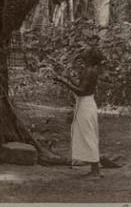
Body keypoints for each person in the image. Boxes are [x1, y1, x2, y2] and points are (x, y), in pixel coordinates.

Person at [53, 46, 103, 178]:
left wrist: (63, 81)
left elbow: (81, 91)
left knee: (88, 135)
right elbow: (81, 87)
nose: (83, 52)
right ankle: (94, 169)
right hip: (86, 103)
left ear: (90, 57)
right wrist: (68, 77)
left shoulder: (89, 71)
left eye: (86, 52)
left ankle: (96, 171)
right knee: (88, 134)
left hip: (86, 104)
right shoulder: (89, 70)